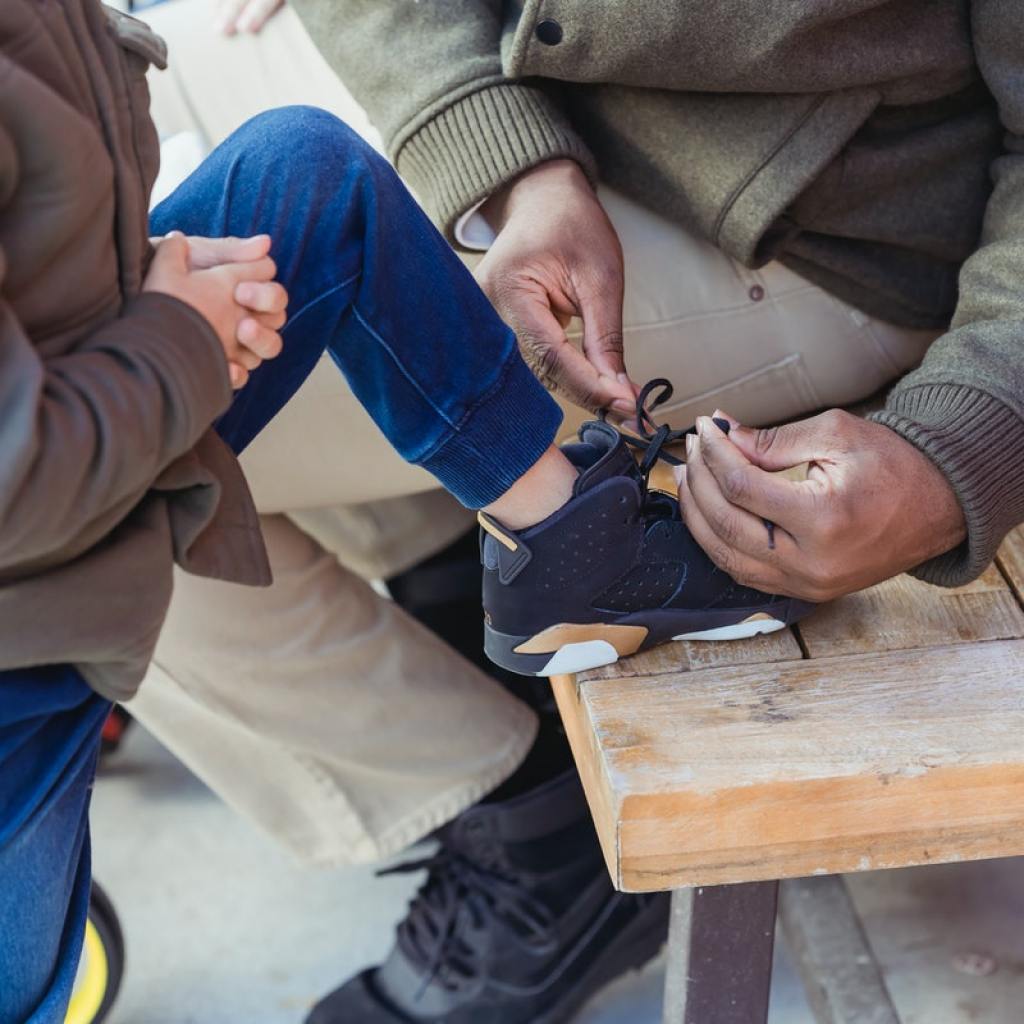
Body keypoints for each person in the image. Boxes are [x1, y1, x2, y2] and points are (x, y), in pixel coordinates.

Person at [1, 3, 804, 1022]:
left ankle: (545, 557)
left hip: (81, 369)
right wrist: (170, 338)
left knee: (304, 173)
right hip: (26, 611)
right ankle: (533, 827)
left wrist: (140, 281)